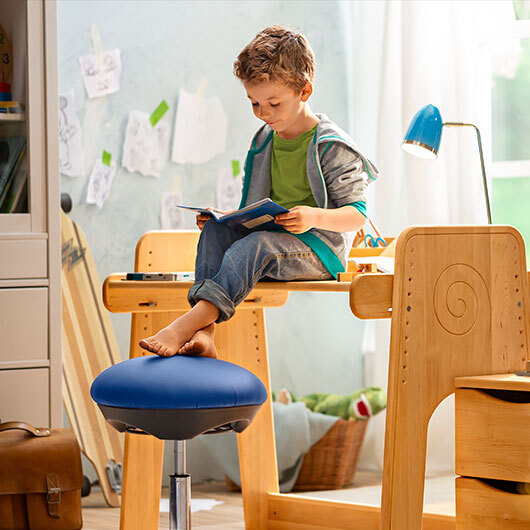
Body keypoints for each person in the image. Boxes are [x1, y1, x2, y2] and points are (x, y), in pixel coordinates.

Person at [139, 25, 379, 358]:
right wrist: (225, 221)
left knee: (256, 245)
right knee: (215, 233)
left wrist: (314, 216)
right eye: (254, 103)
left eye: (273, 103)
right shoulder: (263, 140)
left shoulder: (331, 145)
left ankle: (185, 325)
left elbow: (358, 215)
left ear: (305, 91)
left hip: (320, 250)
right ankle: (205, 332)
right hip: (272, 239)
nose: (263, 113)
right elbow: (252, 206)